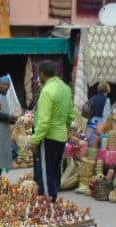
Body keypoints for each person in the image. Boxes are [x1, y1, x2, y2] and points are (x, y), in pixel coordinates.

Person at [30, 60, 75, 201]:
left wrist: (35, 140)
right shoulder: (66, 89)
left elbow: (44, 121)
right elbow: (70, 116)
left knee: (45, 170)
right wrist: (65, 130)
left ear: (42, 74)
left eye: (39, 75)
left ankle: (49, 203)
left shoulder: (47, 91)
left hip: (48, 137)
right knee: (55, 170)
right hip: (61, 137)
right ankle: (53, 198)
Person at [82, 81, 112, 147]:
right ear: (107, 90)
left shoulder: (92, 98)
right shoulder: (107, 100)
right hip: (101, 127)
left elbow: (85, 110)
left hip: (91, 126)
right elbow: (109, 116)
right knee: (100, 149)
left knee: (89, 148)